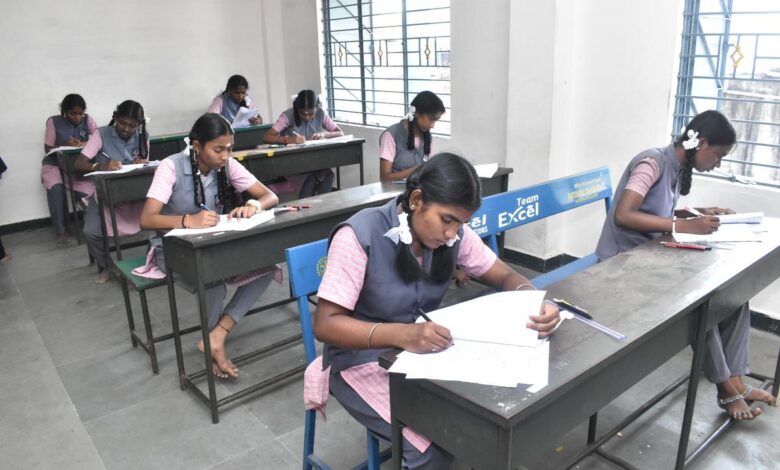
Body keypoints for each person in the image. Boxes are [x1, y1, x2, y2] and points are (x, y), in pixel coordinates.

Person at [308, 154, 560, 469]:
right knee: (433, 445)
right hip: (358, 361)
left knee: (482, 416)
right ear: (416, 200)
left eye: (461, 224)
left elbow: (505, 275)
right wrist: (402, 335)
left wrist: (534, 301)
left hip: (420, 354)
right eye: (447, 220)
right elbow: (326, 324)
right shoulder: (360, 235)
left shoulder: (453, 238)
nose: (453, 233)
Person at [595, 109, 776, 420]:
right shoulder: (651, 163)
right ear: (701, 143)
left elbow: (656, 212)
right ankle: (726, 389)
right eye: (718, 155)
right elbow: (623, 214)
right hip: (620, 267)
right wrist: (684, 226)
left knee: (734, 298)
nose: (718, 164)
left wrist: (695, 213)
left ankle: (736, 381)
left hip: (650, 259)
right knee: (701, 305)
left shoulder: (677, 166)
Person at [139, 113, 279, 379]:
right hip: (172, 248)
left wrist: (253, 205)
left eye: (229, 149)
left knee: (266, 268)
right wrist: (187, 221)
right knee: (212, 281)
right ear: (196, 145)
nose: (225, 156)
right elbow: (146, 219)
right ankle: (213, 346)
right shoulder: (170, 167)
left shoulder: (226, 164)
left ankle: (217, 334)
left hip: (213, 244)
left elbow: (269, 196)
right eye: (218, 149)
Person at [73, 100, 149, 283]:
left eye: (132, 125)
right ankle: (106, 265)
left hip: (134, 195)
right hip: (105, 195)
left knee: (163, 219)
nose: (126, 129)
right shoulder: (101, 134)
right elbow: (79, 164)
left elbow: (145, 161)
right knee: (91, 232)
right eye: (122, 123)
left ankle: (154, 261)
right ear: (115, 117)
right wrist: (102, 165)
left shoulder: (142, 136)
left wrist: (140, 162)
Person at [263, 90, 344, 197]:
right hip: (293, 162)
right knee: (309, 181)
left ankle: (323, 206)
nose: (306, 117)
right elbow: (267, 137)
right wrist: (289, 140)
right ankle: (306, 206)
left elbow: (340, 133)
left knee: (327, 177)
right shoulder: (288, 115)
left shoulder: (321, 113)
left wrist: (324, 134)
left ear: (317, 107)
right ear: (297, 108)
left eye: (311, 113)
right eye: (302, 113)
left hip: (314, 161)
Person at [42, 94, 98, 243]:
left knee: (86, 188)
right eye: (73, 114)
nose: (77, 118)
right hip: (54, 163)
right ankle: (61, 230)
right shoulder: (53, 122)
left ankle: (93, 222)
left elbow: (99, 140)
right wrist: (64, 145)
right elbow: (47, 148)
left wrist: (83, 144)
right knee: (56, 188)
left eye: (81, 114)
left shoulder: (88, 120)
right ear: (65, 112)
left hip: (76, 163)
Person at [379, 91, 445, 183]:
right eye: (431, 119)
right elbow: (385, 178)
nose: (432, 125)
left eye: (436, 120)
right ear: (416, 113)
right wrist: (415, 171)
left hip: (420, 189)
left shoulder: (427, 137)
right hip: (395, 190)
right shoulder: (391, 135)